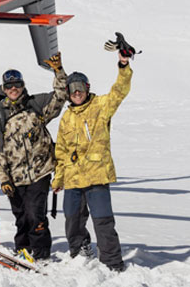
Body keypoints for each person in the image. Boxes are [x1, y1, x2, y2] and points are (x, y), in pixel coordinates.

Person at [53, 51, 133, 272]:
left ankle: (112, 262)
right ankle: (79, 253)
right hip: (72, 178)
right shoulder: (67, 117)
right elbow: (61, 150)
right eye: (72, 88)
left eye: (80, 87)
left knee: (103, 221)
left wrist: (123, 65)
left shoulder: (100, 106)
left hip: (97, 176)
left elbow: (119, 91)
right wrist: (58, 178)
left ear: (87, 88)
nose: (76, 92)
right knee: (72, 220)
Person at [0, 54, 67, 261]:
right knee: (21, 217)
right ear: (3, 88)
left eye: (17, 85)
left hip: (39, 172)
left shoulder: (35, 104)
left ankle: (40, 253)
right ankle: (23, 250)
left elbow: (60, 97)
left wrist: (58, 72)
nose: (13, 89)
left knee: (35, 214)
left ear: (23, 86)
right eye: (9, 86)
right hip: (14, 175)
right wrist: (3, 179)